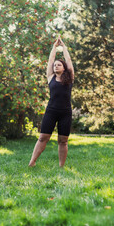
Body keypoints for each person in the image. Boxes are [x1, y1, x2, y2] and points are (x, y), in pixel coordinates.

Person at [29, 35, 74, 168]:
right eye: (55, 65)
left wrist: (64, 47)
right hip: (51, 111)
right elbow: (50, 61)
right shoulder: (51, 77)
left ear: (64, 68)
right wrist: (54, 47)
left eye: (59, 65)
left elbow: (69, 60)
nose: (55, 66)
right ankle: (32, 162)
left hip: (65, 112)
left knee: (63, 141)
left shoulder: (70, 77)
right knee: (43, 137)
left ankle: (61, 166)